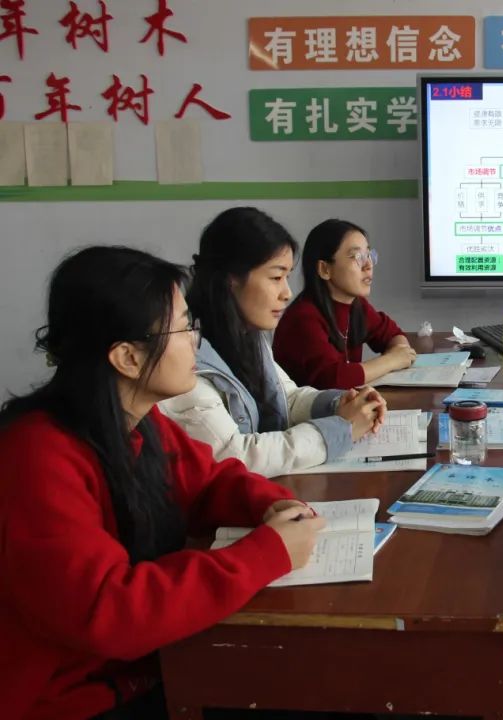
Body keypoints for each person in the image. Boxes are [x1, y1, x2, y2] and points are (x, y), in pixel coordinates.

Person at [0, 246, 325, 720]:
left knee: (309, 682)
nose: (196, 341)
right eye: (184, 327)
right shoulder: (35, 456)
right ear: (128, 357)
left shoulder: (138, 420)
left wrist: (269, 505)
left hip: (154, 663)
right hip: (73, 699)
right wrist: (265, 554)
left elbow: (209, 482)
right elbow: (110, 611)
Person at [159, 207, 387, 478]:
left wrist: (340, 403)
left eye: (287, 277)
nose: (287, 293)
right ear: (231, 279)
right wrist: (340, 429)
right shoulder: (185, 357)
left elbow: (286, 399)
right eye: (276, 277)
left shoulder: (247, 335)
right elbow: (237, 455)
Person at [273, 219, 415, 389]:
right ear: (325, 269)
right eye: (357, 257)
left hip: (342, 403)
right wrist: (391, 360)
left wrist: (400, 352)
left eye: (368, 255)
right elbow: (332, 379)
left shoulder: (357, 305)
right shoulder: (303, 317)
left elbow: (392, 334)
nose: (368, 265)